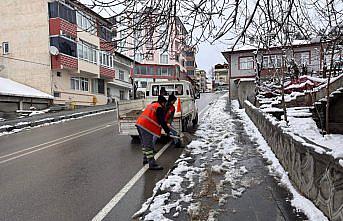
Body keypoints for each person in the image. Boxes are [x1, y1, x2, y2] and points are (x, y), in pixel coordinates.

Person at [136, 95, 170, 170]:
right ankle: (152, 164)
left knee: (145, 144)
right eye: (165, 103)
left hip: (139, 124)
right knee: (149, 145)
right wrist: (168, 131)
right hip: (145, 126)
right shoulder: (159, 108)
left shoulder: (152, 105)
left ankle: (145, 159)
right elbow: (162, 122)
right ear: (163, 103)